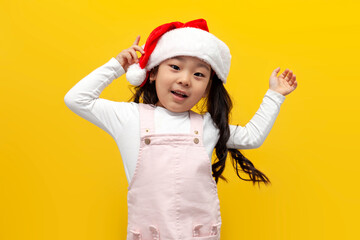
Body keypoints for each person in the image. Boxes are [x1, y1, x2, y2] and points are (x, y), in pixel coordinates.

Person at [64, 18, 297, 240]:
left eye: (199, 74)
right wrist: (117, 66)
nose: (185, 79)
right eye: (175, 67)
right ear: (152, 72)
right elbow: (76, 99)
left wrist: (274, 96)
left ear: (206, 88)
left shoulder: (207, 125)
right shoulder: (129, 118)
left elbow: (252, 137)